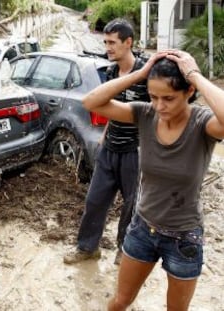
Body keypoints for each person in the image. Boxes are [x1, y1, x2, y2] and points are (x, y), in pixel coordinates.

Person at [82, 50, 224, 310]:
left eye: (168, 98)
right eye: (154, 96)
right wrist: (140, 72)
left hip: (184, 238)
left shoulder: (203, 124)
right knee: (120, 301)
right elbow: (91, 102)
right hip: (142, 229)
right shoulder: (145, 115)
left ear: (189, 91)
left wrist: (195, 74)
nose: (160, 106)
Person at [63, 18, 149, 265]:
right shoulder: (111, 72)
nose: (108, 47)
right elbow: (109, 106)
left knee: (131, 205)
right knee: (95, 200)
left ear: (128, 42)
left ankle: (125, 250)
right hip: (110, 148)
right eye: (106, 42)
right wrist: (104, 135)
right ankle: (88, 247)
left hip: (136, 151)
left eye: (112, 42)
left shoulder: (146, 71)